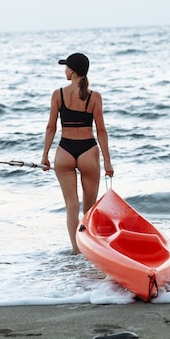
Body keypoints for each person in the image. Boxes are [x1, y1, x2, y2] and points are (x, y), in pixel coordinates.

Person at [41, 53, 114, 254]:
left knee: (71, 206)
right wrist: (107, 162)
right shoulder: (94, 97)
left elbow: (50, 128)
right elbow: (101, 130)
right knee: (89, 208)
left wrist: (45, 155)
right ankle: (92, 251)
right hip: (88, 151)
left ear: (72, 71)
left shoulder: (58, 94)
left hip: (65, 150)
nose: (65, 71)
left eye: (66, 67)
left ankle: (77, 252)